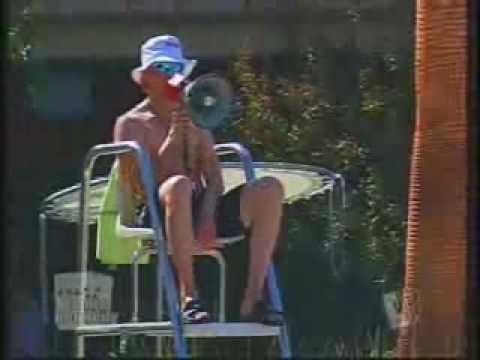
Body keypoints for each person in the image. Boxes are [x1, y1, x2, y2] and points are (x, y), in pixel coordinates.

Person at [114, 35, 284, 324]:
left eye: (175, 69)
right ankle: (188, 297)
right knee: (179, 185)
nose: (172, 78)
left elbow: (214, 179)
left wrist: (207, 217)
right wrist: (174, 136)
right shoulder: (130, 124)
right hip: (158, 212)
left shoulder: (196, 115)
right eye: (163, 69)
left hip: (197, 206)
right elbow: (143, 185)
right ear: (146, 80)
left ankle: (253, 298)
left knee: (269, 189)